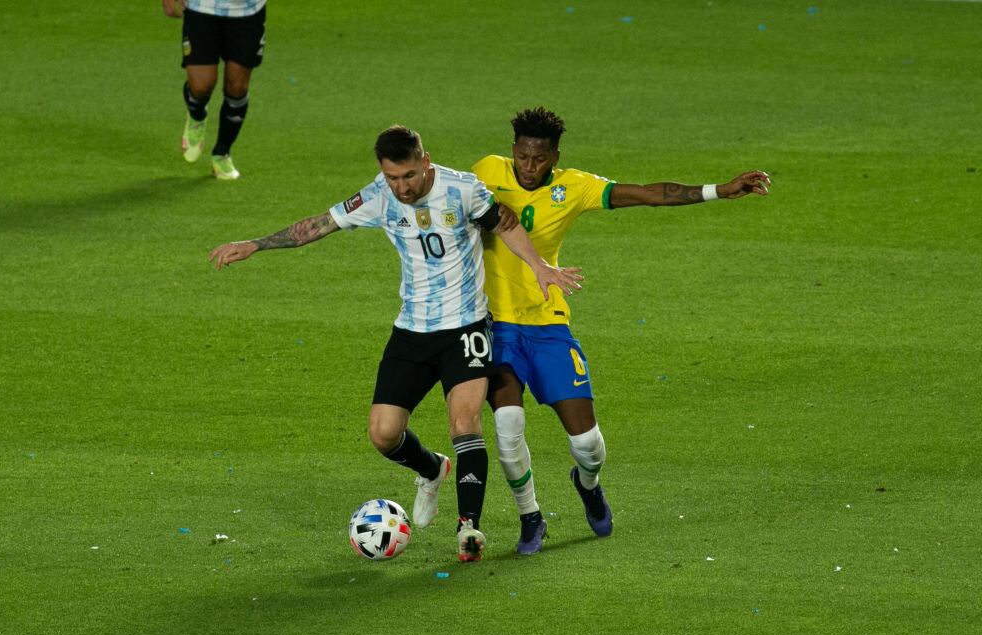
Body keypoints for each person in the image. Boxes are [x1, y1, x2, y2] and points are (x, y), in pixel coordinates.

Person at [209, 125, 582, 561]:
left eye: (407, 176)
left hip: (466, 328)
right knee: (384, 435)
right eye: (392, 178)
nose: (401, 187)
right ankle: (431, 469)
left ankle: (468, 529)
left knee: (465, 423)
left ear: (424, 162)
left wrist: (539, 266)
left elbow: (505, 222)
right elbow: (319, 225)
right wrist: (255, 244)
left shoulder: (462, 189)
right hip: (412, 331)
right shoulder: (378, 196)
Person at [471, 107, 771, 554]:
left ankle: (587, 484)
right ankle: (530, 517)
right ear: (513, 150)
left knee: (587, 445)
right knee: (508, 427)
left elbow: (648, 194)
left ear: (554, 156)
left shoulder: (574, 187)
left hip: (548, 324)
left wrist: (719, 191)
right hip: (496, 326)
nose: (529, 167)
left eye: (539, 159)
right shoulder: (486, 171)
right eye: (522, 157)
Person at [162, 0, 267, 180]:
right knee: (200, 87)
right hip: (201, 7)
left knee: (237, 87)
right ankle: (197, 115)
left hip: (247, 11)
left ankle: (222, 152)